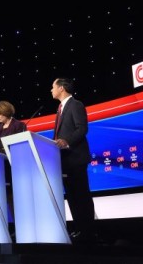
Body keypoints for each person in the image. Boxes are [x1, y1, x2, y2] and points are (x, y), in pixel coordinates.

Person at [51, 77, 96, 244]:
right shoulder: (60, 108)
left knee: (81, 195)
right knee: (72, 196)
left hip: (76, 157)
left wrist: (66, 141)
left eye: (53, 87)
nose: (51, 90)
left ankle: (88, 232)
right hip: (65, 160)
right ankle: (79, 230)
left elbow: (82, 128)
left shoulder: (75, 104)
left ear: (62, 88)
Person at [0, 100, 27, 230]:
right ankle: (14, 228)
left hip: (15, 168)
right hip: (2, 169)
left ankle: (23, 227)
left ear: (5, 112)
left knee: (18, 198)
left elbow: (22, 147)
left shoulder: (19, 125)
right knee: (8, 198)